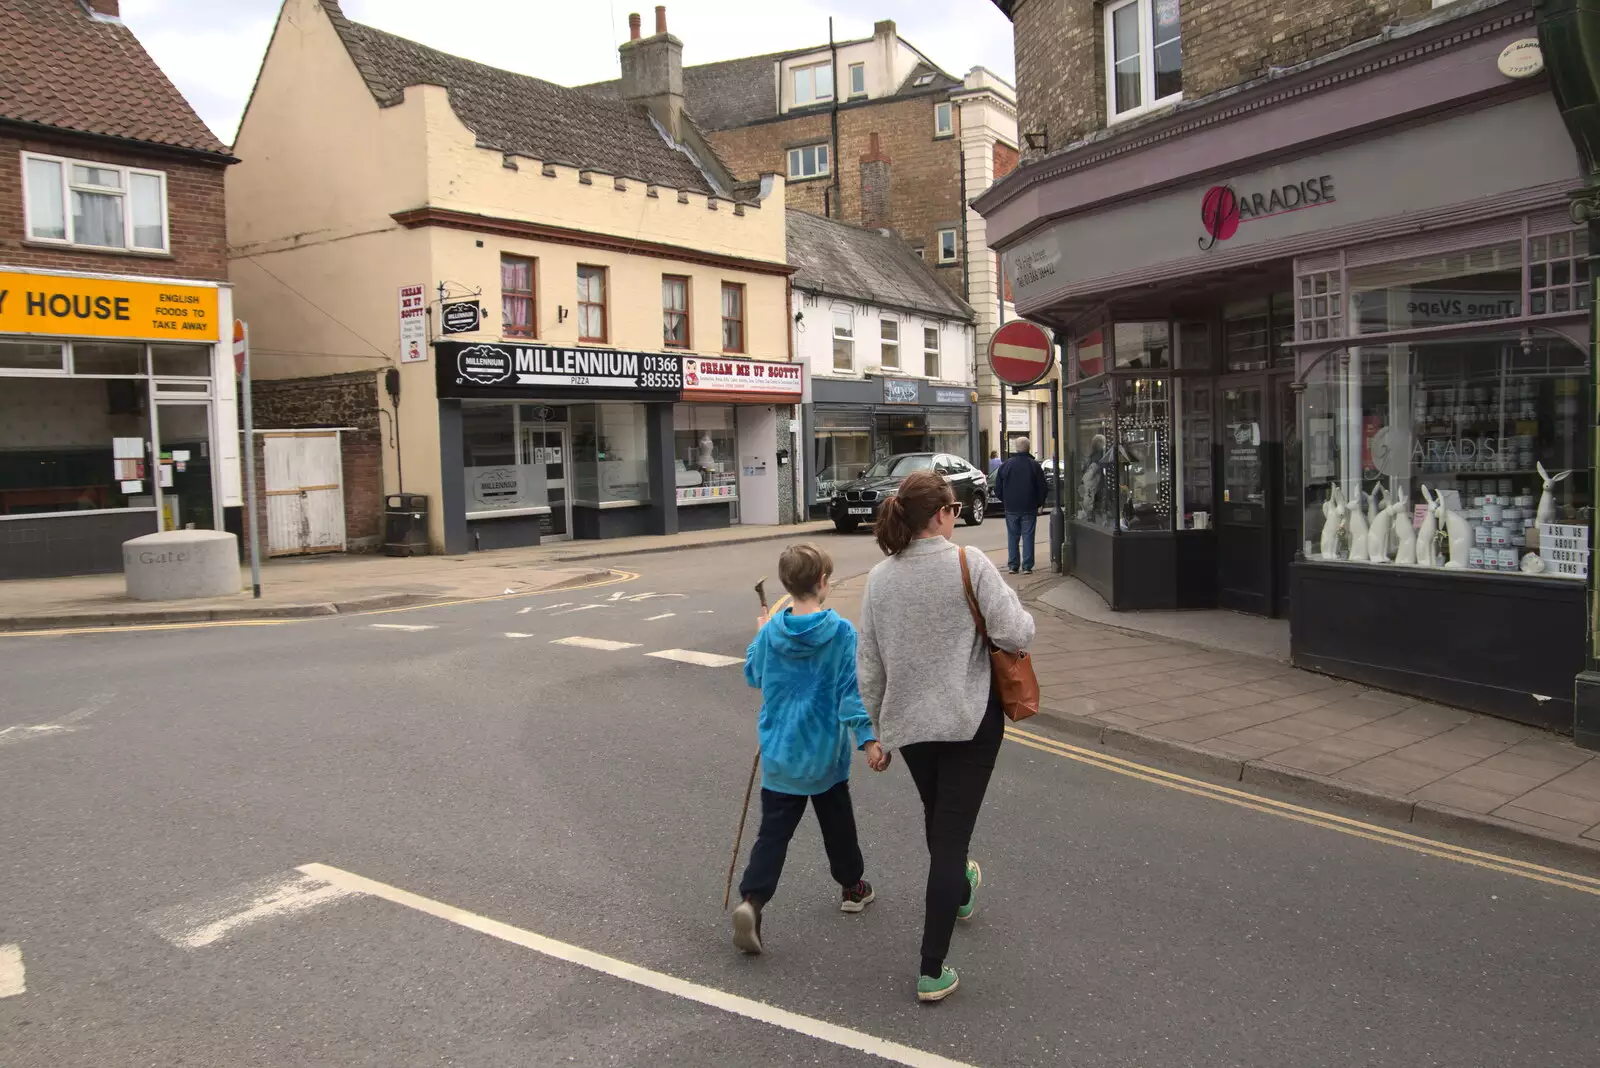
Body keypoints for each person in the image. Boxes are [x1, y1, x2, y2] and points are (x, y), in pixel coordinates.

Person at [857, 471, 1035, 1003]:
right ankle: (931, 968)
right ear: (939, 515)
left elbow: (869, 664)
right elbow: (1015, 633)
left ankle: (959, 890)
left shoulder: (879, 579)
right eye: (954, 509)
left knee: (941, 822)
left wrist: (874, 732)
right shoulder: (969, 562)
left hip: (911, 726)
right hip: (969, 720)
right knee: (950, 835)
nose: (956, 517)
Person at [732, 543, 888, 956]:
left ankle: (752, 901)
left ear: (787, 584)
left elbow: (754, 674)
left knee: (773, 835)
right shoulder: (840, 633)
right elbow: (850, 695)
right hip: (823, 759)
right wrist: (868, 740)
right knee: (838, 828)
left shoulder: (771, 632)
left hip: (780, 755)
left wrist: (759, 633)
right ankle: (853, 888)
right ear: (822, 583)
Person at [994, 437, 1049, 574]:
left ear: (1016, 448)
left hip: (1011, 507)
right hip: (1029, 506)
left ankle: (1013, 565)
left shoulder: (1006, 465)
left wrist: (1005, 500)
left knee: (1013, 535)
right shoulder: (1034, 465)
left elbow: (998, 488)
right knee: (1028, 536)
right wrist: (1039, 503)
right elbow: (1042, 487)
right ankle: (1027, 566)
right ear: (1028, 448)